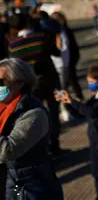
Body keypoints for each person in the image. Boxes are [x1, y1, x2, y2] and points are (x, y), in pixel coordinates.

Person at [56, 63, 98, 200]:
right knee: (96, 172)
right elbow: (82, 114)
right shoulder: (95, 97)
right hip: (94, 140)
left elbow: (92, 112)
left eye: (91, 82)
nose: (89, 85)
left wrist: (73, 101)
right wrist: (67, 103)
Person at [0, 58, 64, 199]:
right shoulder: (4, 108)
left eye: (1, 82)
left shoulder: (34, 114)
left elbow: (7, 151)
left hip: (30, 188)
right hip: (12, 184)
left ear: (20, 82)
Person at [7, 12, 66, 155]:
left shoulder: (13, 46)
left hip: (29, 86)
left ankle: (42, 148)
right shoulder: (42, 37)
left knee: (34, 116)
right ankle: (55, 145)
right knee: (53, 112)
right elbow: (57, 53)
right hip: (50, 80)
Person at [51, 12, 83, 101]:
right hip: (60, 63)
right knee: (63, 85)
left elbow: (62, 49)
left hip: (63, 63)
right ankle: (68, 102)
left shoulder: (63, 32)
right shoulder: (58, 32)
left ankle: (70, 102)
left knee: (64, 86)